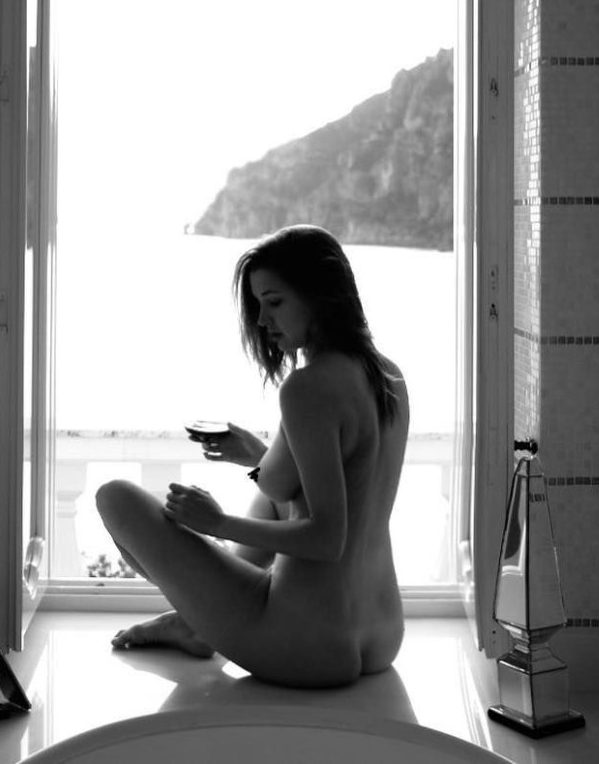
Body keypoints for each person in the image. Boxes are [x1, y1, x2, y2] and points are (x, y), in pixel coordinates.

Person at [96, 224, 410, 689]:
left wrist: (216, 523)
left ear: (319, 295)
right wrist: (255, 457)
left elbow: (327, 538)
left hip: (303, 640)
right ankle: (196, 625)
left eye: (274, 302)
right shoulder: (388, 375)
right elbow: (325, 487)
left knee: (115, 498)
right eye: (259, 305)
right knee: (270, 491)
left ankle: (199, 622)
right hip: (382, 632)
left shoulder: (306, 388)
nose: (262, 320)